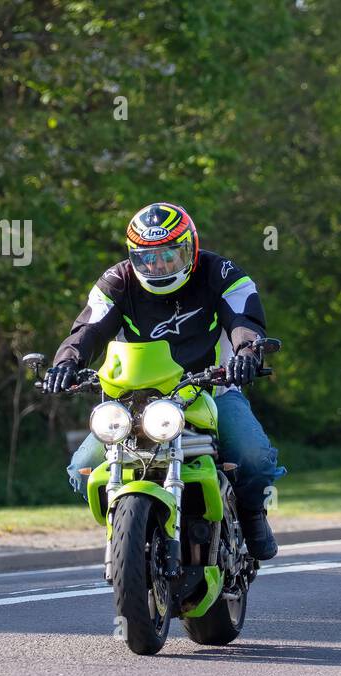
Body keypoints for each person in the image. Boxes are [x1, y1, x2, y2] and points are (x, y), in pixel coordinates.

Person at [42, 202, 284, 559]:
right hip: (133, 399)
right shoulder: (116, 282)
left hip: (209, 388)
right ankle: (132, 533)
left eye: (169, 255)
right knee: (82, 469)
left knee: (253, 457)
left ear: (191, 248)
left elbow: (244, 320)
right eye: (147, 258)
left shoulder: (222, 273)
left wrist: (248, 354)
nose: (157, 266)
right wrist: (66, 362)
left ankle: (251, 516)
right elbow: (87, 330)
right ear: (133, 257)